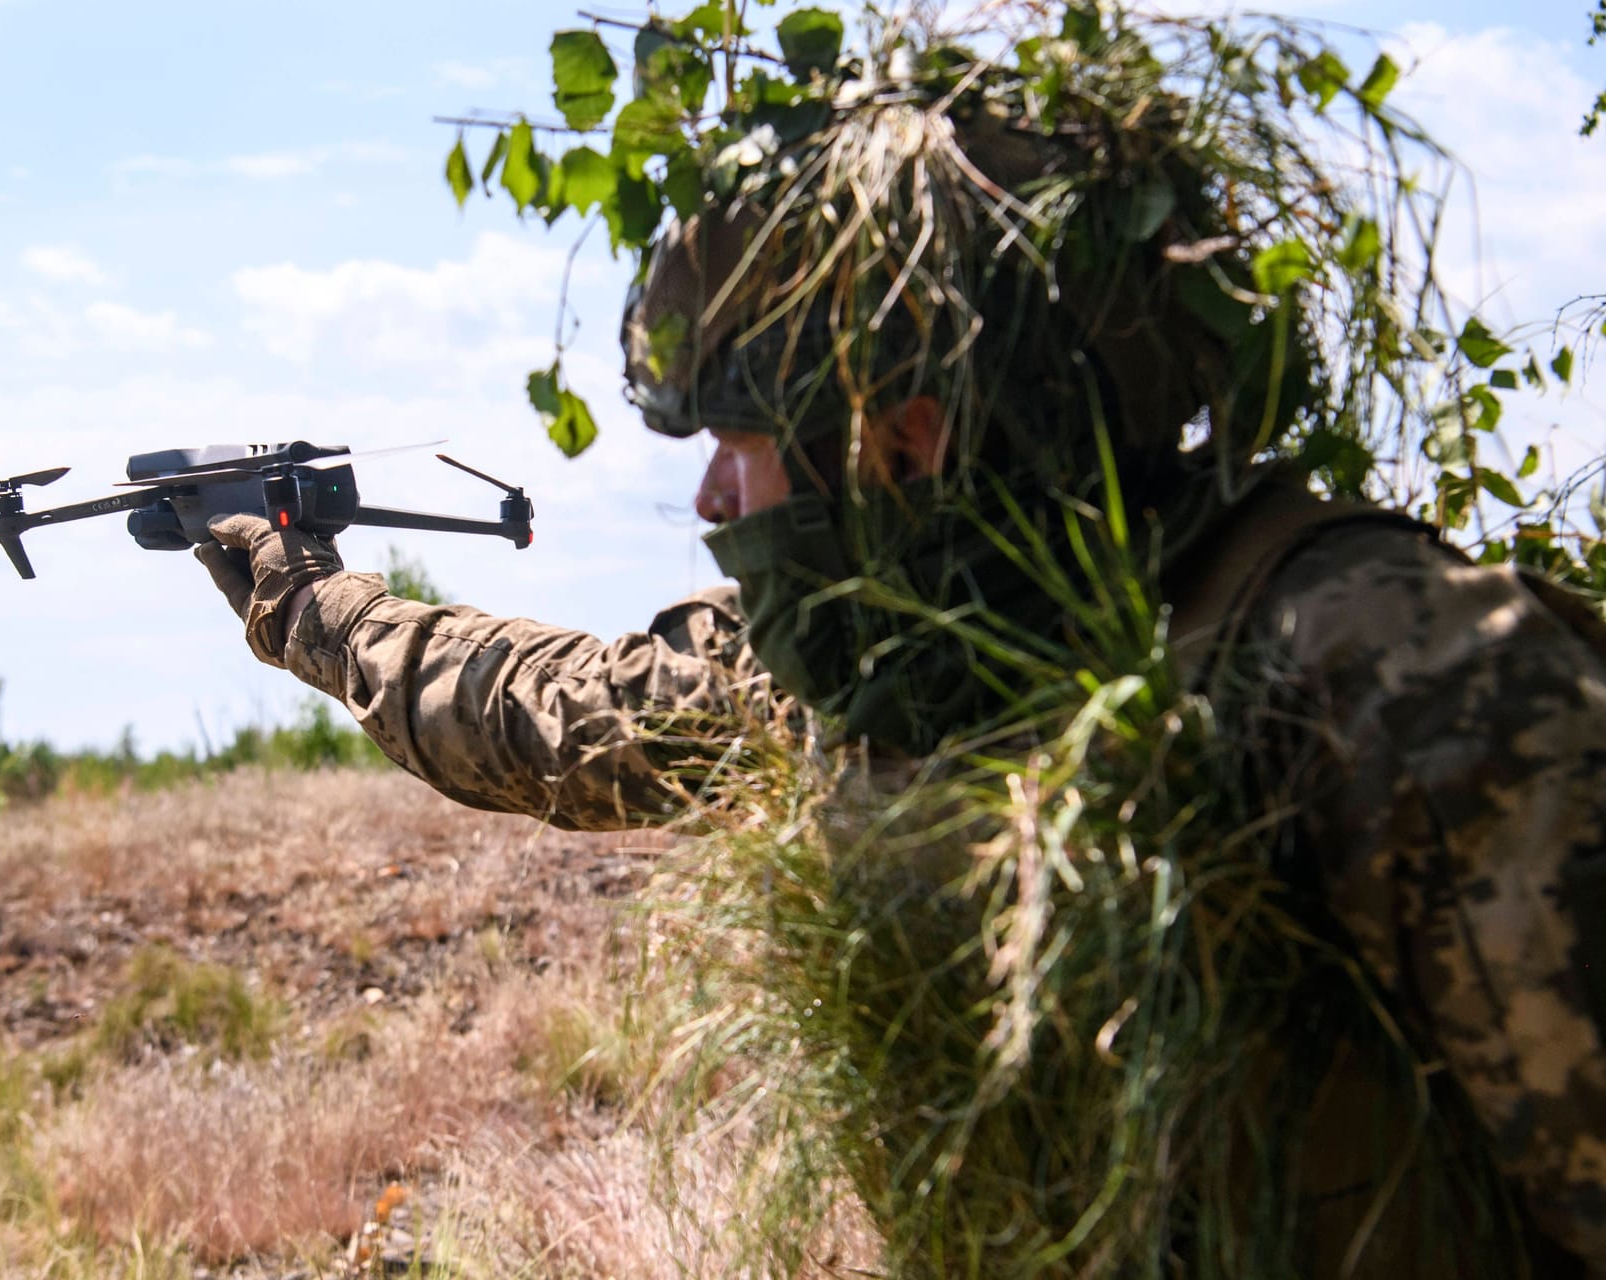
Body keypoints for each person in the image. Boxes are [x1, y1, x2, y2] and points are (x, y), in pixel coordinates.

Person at [194, 24, 1606, 1275]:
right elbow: (536, 714)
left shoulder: (1395, 670)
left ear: (901, 439)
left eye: (739, 451)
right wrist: (294, 589)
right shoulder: (874, 667)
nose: (711, 503)